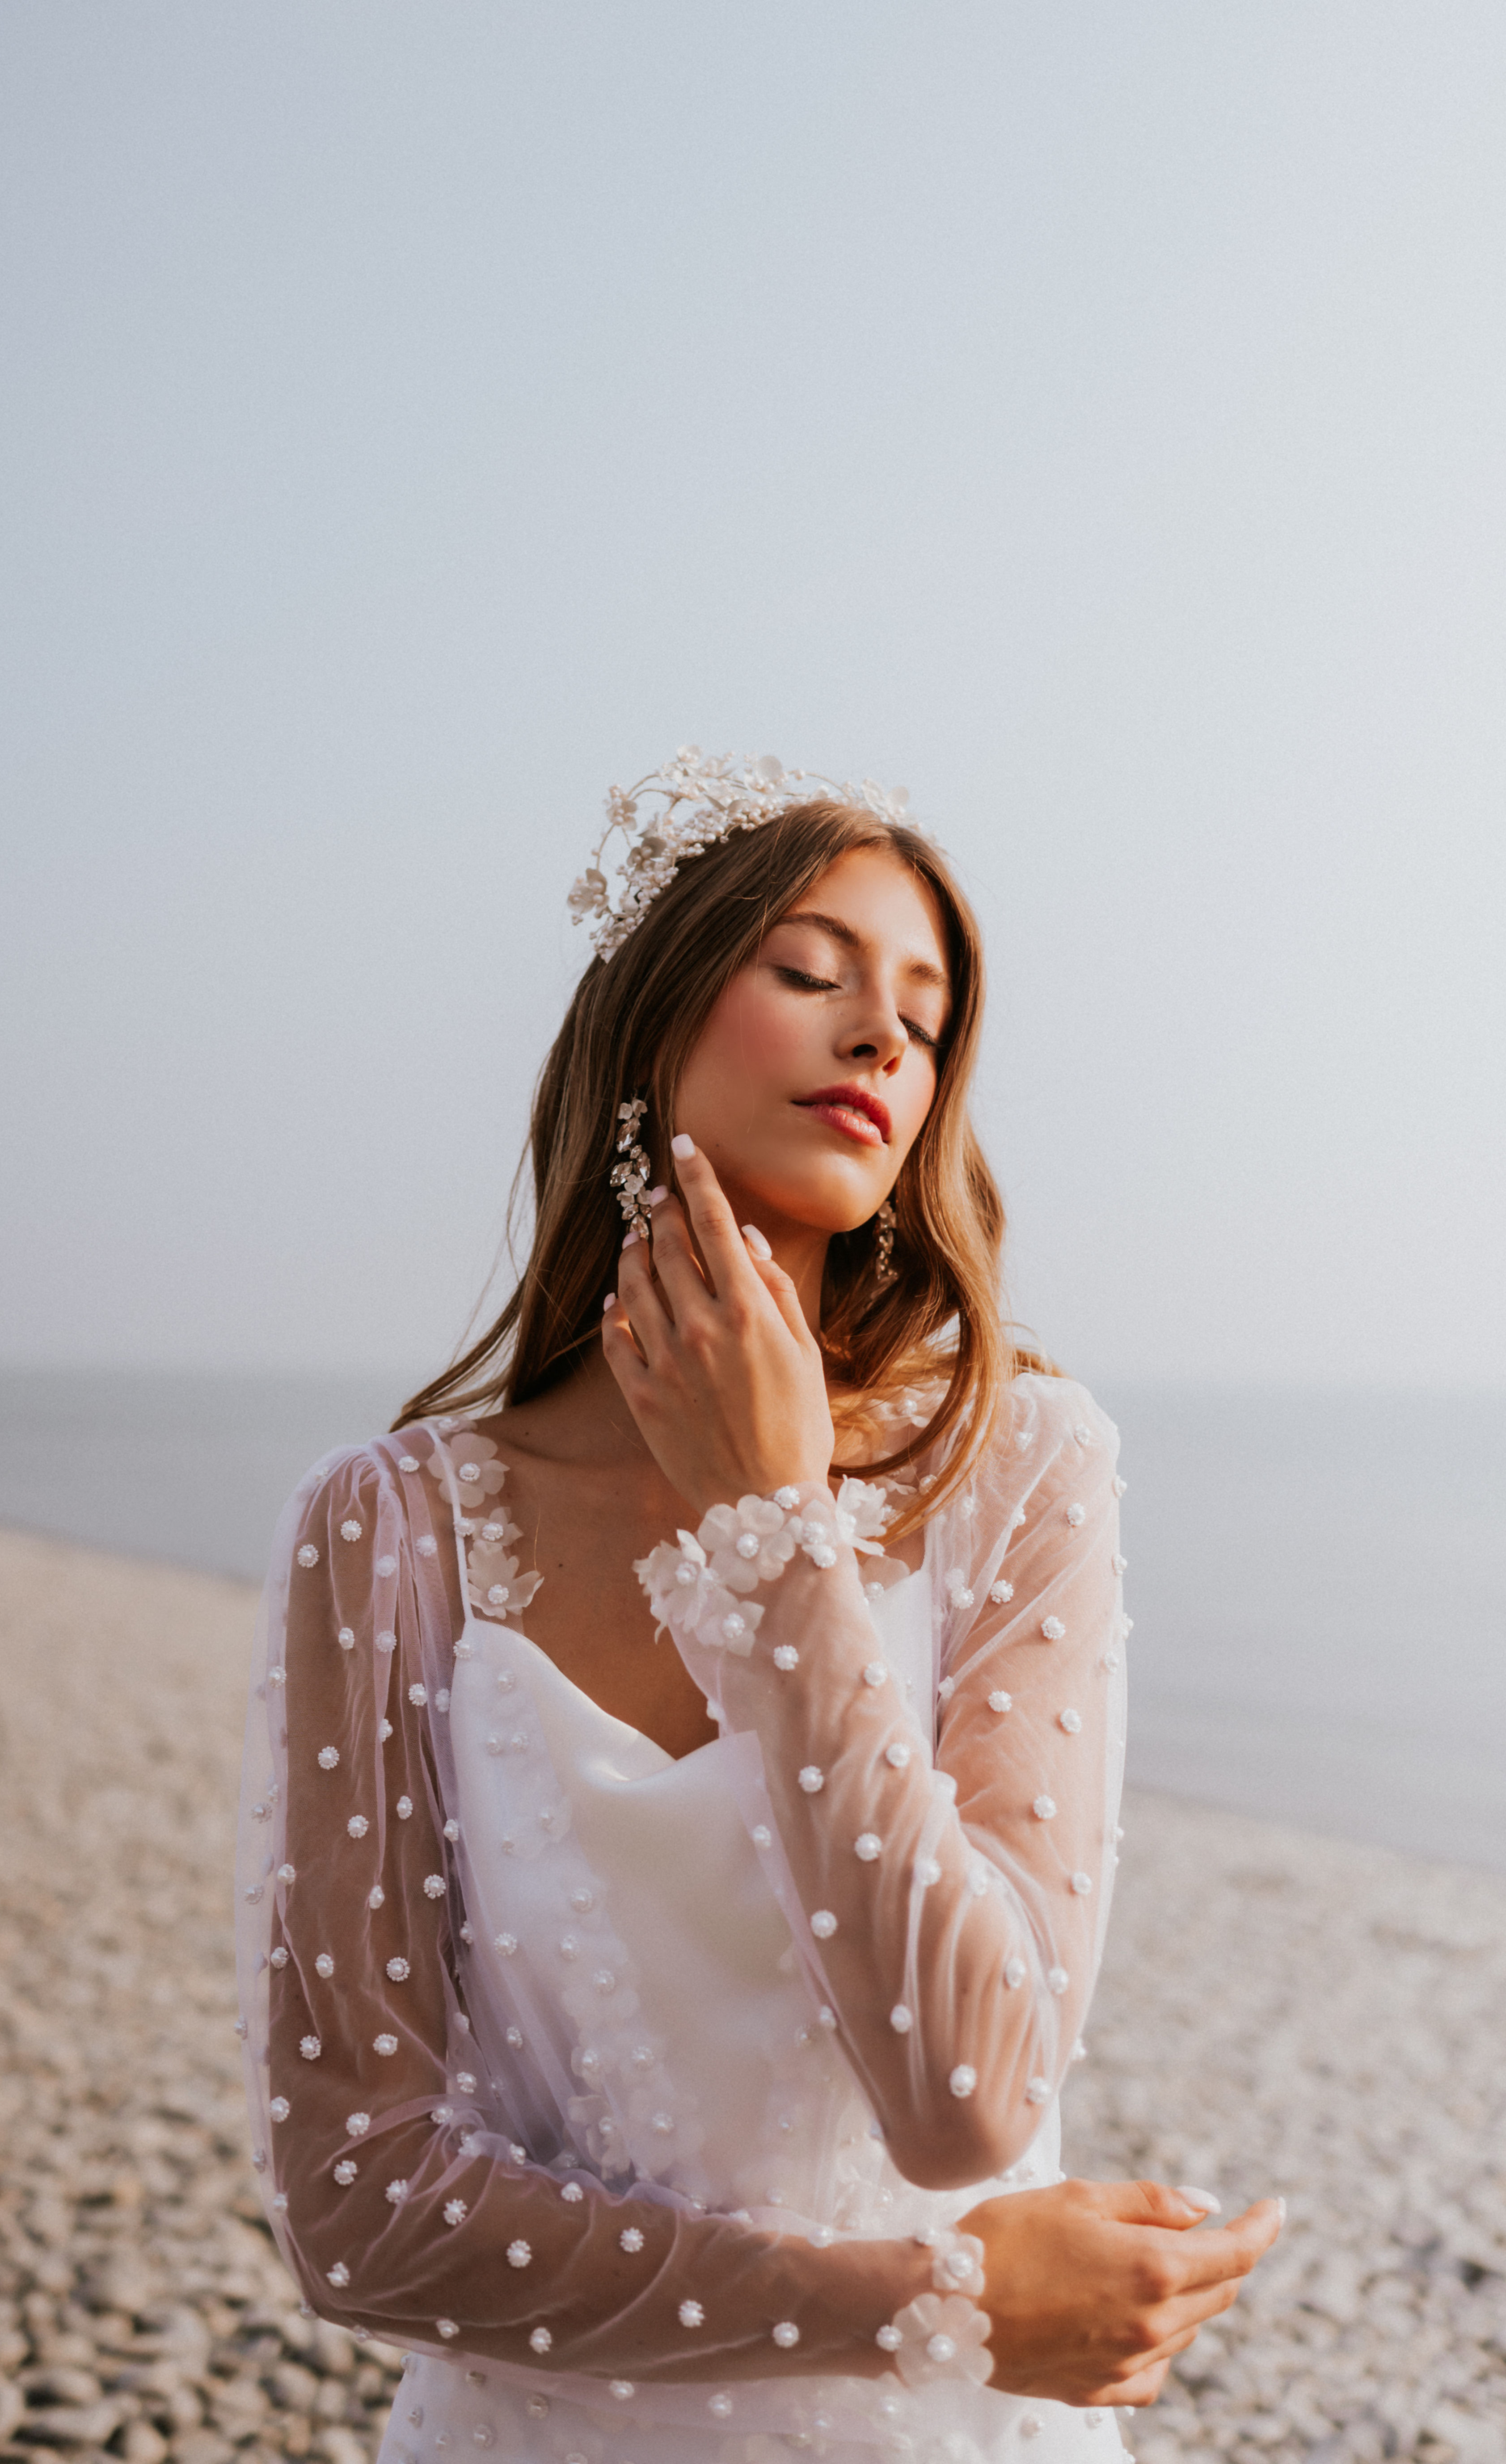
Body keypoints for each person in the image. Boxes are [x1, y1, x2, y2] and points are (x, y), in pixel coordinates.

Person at [236, 751, 1279, 2464]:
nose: (883, 1038)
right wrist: (930, 2307)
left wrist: (775, 1539)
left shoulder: (1019, 1462)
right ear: (648, 1025)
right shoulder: (389, 1525)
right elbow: (357, 2207)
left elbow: (967, 2104)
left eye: (927, 1023)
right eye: (811, 972)